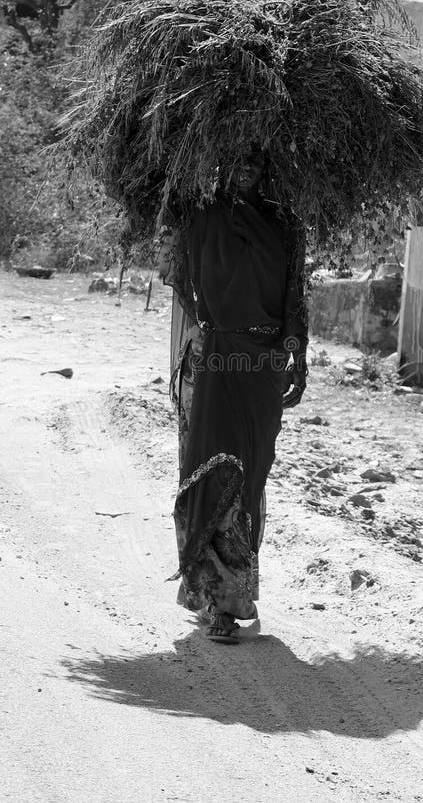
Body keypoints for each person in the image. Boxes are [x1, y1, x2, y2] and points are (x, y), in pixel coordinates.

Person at [159, 148, 308, 643]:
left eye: (255, 163)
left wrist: (295, 358)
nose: (246, 170)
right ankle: (217, 603)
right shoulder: (202, 219)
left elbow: (294, 298)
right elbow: (182, 280)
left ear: (267, 171)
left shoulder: (285, 225)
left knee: (251, 478)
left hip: (262, 363)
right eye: (238, 161)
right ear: (222, 167)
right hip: (218, 357)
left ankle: (237, 590)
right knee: (216, 470)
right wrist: (202, 334)